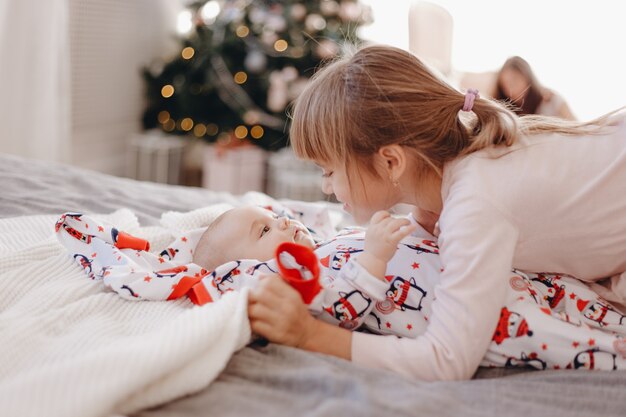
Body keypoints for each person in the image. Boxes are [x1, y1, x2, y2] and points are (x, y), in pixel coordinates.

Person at [246, 44, 626, 381]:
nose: (326, 188)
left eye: (329, 171)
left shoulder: (476, 200)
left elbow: (446, 359)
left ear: (392, 162)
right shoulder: (458, 183)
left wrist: (311, 336)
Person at [56, 207, 626, 372]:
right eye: (263, 230)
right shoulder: (265, 279)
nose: (282, 227)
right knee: (567, 338)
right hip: (475, 317)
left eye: (276, 218)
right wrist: (375, 255)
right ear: (241, 264)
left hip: (484, 273)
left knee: (575, 293)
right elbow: (338, 311)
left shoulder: (323, 241)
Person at [495, 56, 576, 119]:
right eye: (505, 84)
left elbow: (577, 128)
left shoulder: (551, 100)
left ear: (528, 78)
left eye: (515, 82)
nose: (510, 90)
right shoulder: (505, 113)